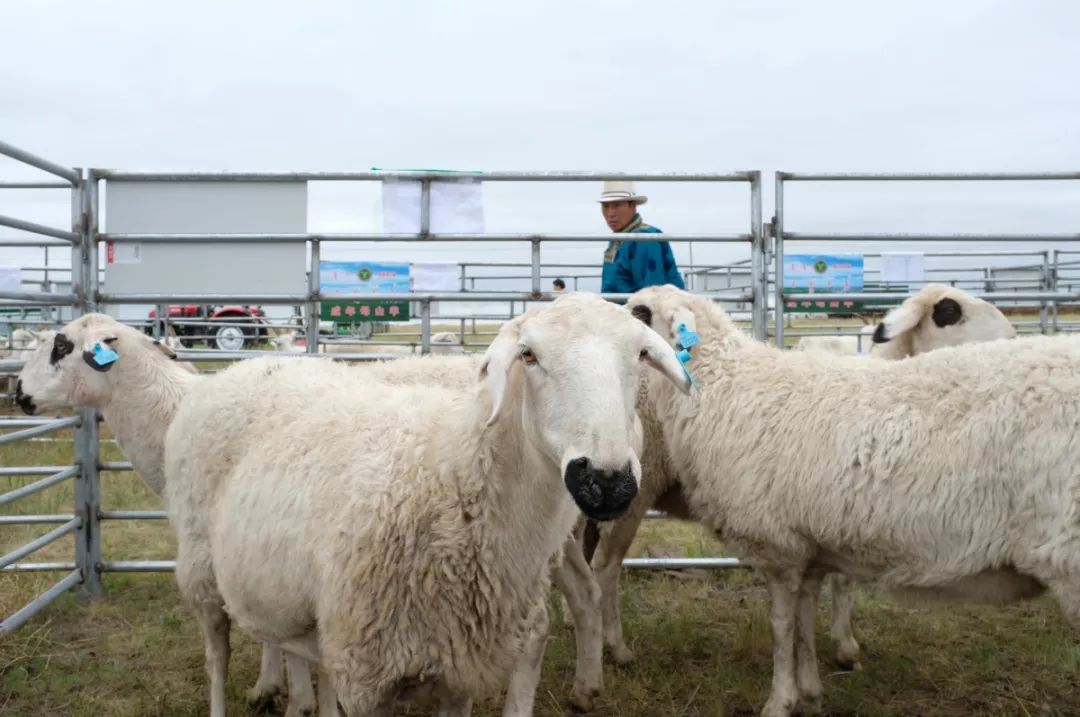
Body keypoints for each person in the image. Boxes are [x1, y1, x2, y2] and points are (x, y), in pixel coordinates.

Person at [598, 181, 685, 294]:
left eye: (617, 205)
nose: (610, 213)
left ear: (633, 206)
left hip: (635, 309)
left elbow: (652, 295)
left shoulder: (644, 239)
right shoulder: (619, 238)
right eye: (605, 206)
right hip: (619, 307)